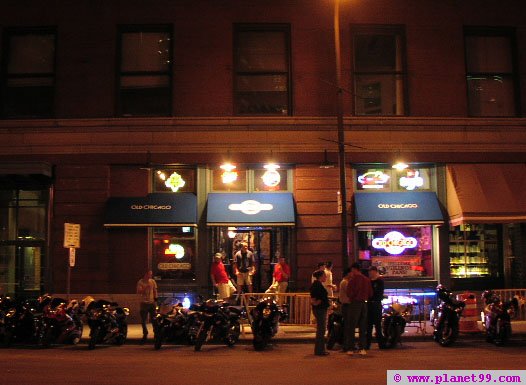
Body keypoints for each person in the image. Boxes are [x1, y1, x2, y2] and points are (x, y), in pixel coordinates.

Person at [345, 262, 372, 355]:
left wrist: (353, 297)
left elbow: (349, 293)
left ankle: (351, 348)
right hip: (364, 304)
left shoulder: (352, 280)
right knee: (362, 326)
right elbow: (370, 293)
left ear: (354, 269)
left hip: (354, 304)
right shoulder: (367, 280)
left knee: (351, 326)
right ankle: (362, 348)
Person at [310, 269, 330, 356]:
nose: (326, 277)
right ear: (320, 276)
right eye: (324, 275)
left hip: (320, 308)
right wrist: (319, 302)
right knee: (321, 330)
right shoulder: (317, 285)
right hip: (320, 309)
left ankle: (320, 349)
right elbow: (314, 298)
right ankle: (319, 350)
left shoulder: (317, 284)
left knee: (321, 329)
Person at [136, 270, 158, 343]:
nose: (150, 276)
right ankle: (145, 334)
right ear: (145, 274)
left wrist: (155, 300)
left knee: (154, 319)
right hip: (144, 303)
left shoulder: (152, 281)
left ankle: (156, 334)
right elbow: (139, 292)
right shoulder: (140, 282)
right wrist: (146, 287)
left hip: (151, 303)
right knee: (143, 320)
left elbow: (155, 290)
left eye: (151, 274)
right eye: (149, 274)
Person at [367, 266, 386, 349]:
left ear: (375, 272)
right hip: (369, 304)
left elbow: (379, 293)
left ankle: (381, 344)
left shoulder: (379, 281)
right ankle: (367, 344)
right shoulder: (368, 281)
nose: (370, 274)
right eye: (369, 272)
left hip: (376, 304)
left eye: (371, 272)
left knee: (377, 324)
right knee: (368, 325)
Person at [338, 267, 352, 352]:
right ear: (348, 273)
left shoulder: (345, 282)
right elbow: (349, 293)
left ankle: (347, 344)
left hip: (346, 305)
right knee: (348, 325)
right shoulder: (345, 282)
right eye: (351, 273)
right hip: (347, 305)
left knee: (348, 325)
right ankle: (346, 345)